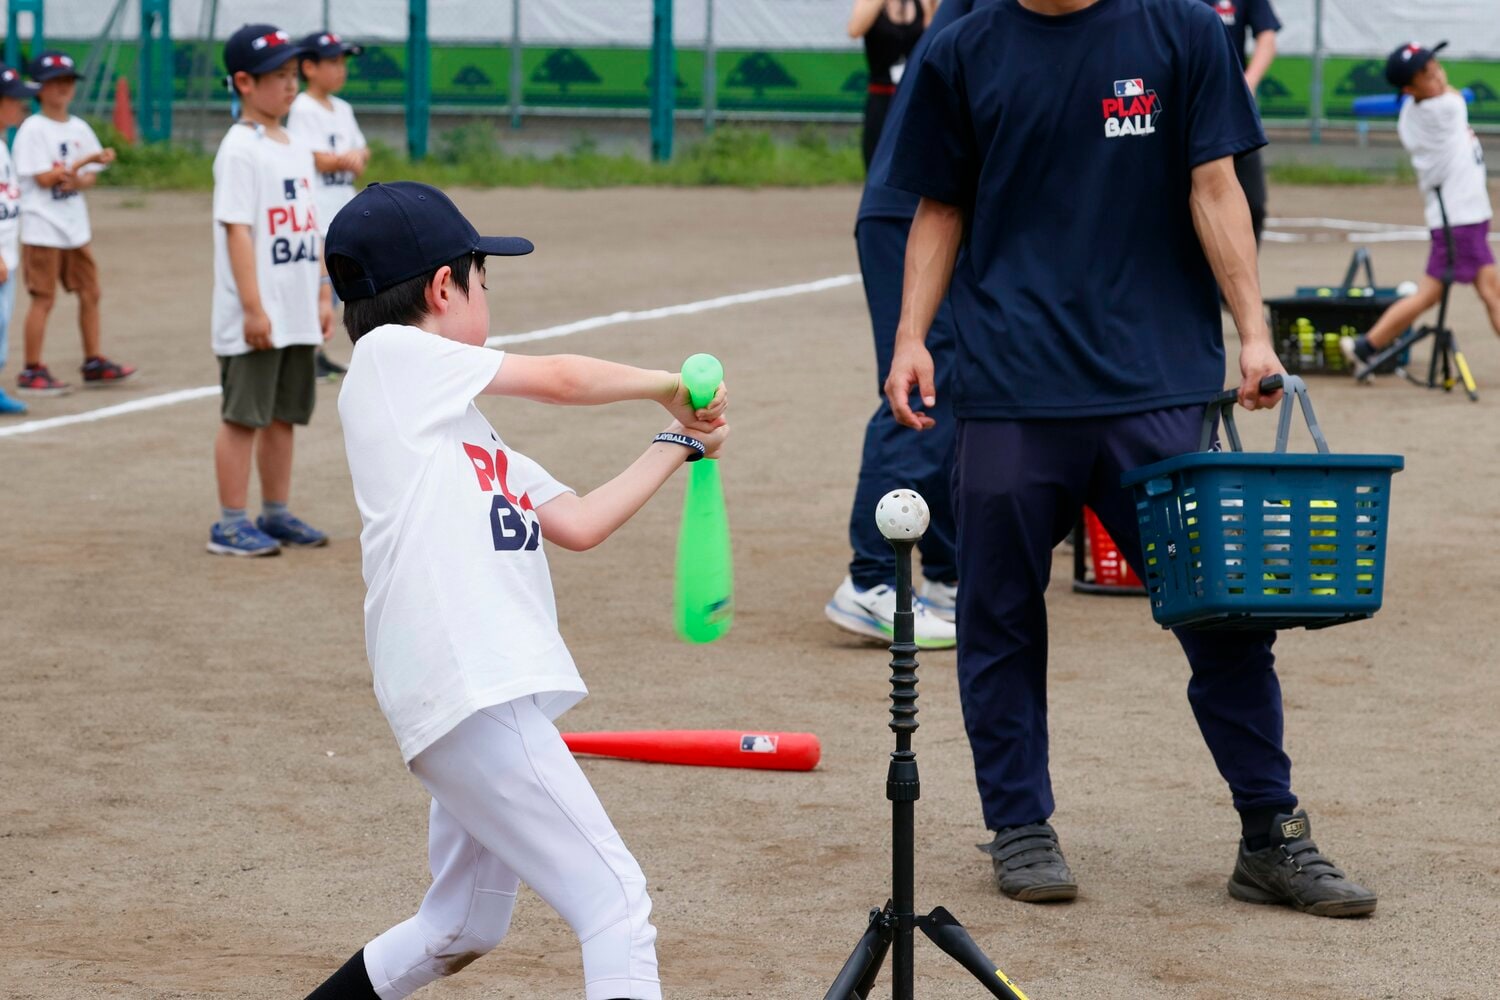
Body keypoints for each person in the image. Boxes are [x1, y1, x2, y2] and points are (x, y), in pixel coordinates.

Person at [885, 0, 1377, 916]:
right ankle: (1020, 824)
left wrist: (1254, 334)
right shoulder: (962, 51)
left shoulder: (1184, 31)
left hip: (1154, 385)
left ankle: (1270, 834)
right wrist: (911, 336)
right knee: (998, 614)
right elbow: (940, 205)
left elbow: (1215, 187)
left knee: (1225, 616)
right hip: (1010, 387)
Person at [299, 180, 728, 1000]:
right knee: (615, 903)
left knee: (461, 925)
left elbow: (579, 522)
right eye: (482, 281)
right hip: (471, 686)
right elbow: (561, 378)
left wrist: (679, 442)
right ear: (442, 287)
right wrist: (665, 382)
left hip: (476, 694)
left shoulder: (462, 433)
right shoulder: (391, 359)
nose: (485, 297)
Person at [827, 0, 990, 649]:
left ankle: (948, 574)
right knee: (924, 387)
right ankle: (871, 581)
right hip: (915, 213)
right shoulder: (993, 16)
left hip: (937, 209)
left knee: (957, 390)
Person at [207, 24, 334, 557]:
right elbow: (237, 230)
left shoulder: (296, 146)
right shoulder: (240, 149)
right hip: (258, 313)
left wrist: (323, 293)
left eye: (291, 74)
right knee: (244, 417)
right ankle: (230, 523)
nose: (289, 85)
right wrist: (253, 308)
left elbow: (313, 225)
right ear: (243, 82)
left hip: (297, 307)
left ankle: (276, 512)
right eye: (277, 76)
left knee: (284, 416)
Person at [1341, 41, 1499, 373]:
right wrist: (1431, 88)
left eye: (1435, 66)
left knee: (1446, 293)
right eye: (1427, 75)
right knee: (1484, 293)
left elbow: (1440, 89)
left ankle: (1366, 346)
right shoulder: (1445, 109)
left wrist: (1421, 84)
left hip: (1461, 217)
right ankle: (1366, 346)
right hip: (1460, 221)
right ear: (1410, 89)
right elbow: (1453, 95)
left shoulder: (1412, 112)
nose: (1438, 75)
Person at [12, 50, 133, 396]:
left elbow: (89, 177)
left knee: (91, 291)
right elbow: (42, 178)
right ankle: (32, 368)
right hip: (43, 227)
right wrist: (76, 166)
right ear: (39, 88)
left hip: (74, 226)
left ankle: (93, 361)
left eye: (68, 81)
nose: (63, 88)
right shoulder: (33, 129)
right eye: (55, 82)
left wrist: (80, 177)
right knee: (43, 298)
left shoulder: (78, 127)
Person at [288, 30, 369, 383]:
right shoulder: (303, 108)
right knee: (317, 282)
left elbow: (362, 150)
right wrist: (344, 159)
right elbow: (314, 158)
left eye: (343, 62)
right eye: (333, 62)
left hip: (342, 209)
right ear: (309, 67)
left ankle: (316, 353)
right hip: (316, 210)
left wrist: (356, 156)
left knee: (334, 284)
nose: (341, 69)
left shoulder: (343, 109)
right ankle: (306, 354)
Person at [1205, 0, 1280, 244]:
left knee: (1253, 204)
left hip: (1231, 109)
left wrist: (1248, 82)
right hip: (1186, 107)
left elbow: (1267, 37)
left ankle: (1245, 267)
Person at [848, 0, 936, 169]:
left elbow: (934, 39)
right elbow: (854, 30)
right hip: (881, 95)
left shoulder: (922, 3)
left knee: (916, 161)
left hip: (912, 96)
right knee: (875, 160)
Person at [0, 63, 38, 415]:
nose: (20, 106)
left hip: (7, 254)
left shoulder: (2, 146)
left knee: (2, 323)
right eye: (12, 100)